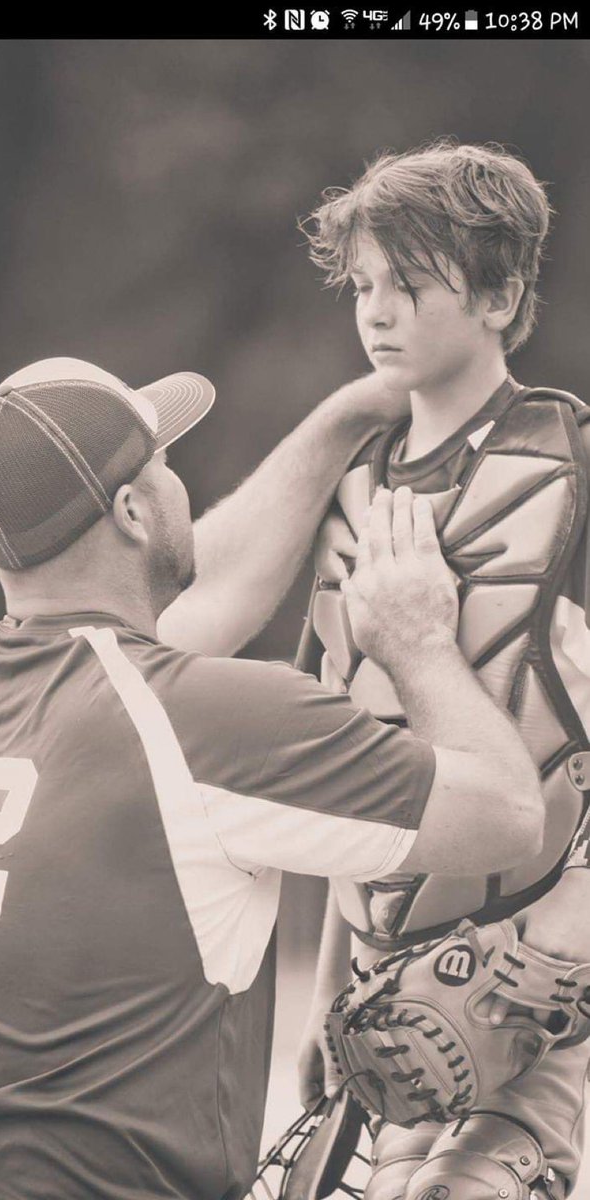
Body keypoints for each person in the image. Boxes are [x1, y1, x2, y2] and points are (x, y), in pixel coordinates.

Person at [0, 356, 543, 1200]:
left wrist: (351, 412)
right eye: (163, 466)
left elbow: (199, 600)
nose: (181, 486)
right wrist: (415, 643)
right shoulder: (215, 719)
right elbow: (505, 813)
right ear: (134, 512)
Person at [296, 140, 590, 1200]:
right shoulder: (347, 495)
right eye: (365, 286)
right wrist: (332, 1001)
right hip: (384, 993)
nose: (377, 313)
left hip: (533, 978)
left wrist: (566, 941)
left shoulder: (570, 465)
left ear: (503, 295)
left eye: (411, 287)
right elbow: (350, 758)